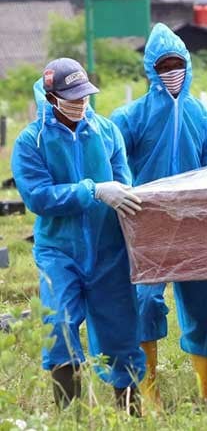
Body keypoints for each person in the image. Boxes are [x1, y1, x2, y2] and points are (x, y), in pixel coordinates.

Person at [11, 58, 145, 413]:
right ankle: (70, 415)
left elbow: (124, 183)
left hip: (108, 249)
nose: (80, 102)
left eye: (84, 94)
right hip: (59, 251)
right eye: (71, 96)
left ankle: (130, 412)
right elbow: (38, 197)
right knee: (59, 324)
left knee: (121, 329)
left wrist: (121, 191)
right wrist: (92, 190)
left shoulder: (106, 131)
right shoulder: (31, 142)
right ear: (51, 97)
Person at [110, 23, 207, 402]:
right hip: (148, 227)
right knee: (144, 302)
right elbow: (113, 163)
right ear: (150, 69)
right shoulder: (130, 118)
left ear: (189, 66)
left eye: (178, 64)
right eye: (163, 65)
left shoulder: (204, 118)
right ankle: (148, 394)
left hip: (195, 226)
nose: (171, 72)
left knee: (205, 304)